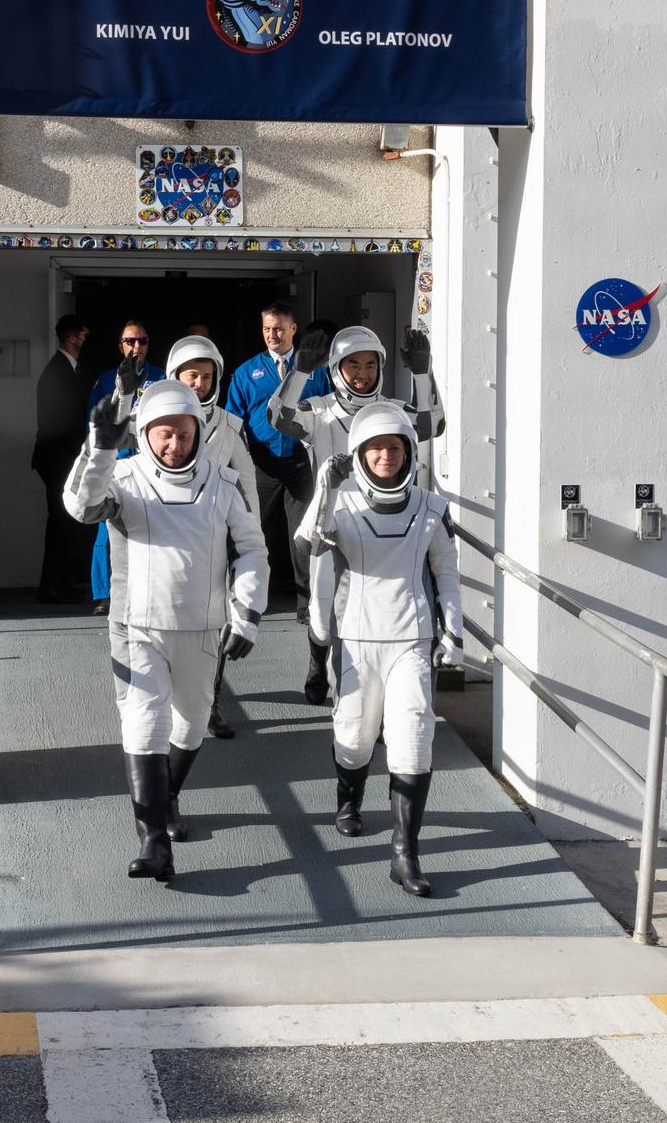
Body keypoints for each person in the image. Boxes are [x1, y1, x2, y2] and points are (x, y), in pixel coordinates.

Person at [63, 380, 269, 882]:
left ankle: (168, 794)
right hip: (137, 626)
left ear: (198, 432)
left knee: (192, 722)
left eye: (183, 433)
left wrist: (247, 614)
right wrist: (100, 447)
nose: (173, 444)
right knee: (144, 721)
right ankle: (153, 839)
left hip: (202, 626)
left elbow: (252, 551)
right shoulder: (125, 476)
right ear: (146, 434)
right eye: (163, 435)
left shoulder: (223, 483)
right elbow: (81, 505)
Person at [295, 401, 462, 898]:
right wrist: (325, 488)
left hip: (411, 637)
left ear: (410, 451)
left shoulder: (432, 507)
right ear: (358, 455)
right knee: (356, 737)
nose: (386, 457)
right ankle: (348, 800)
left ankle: (404, 853)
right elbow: (308, 546)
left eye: (395, 447)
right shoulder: (340, 505)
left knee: (413, 737)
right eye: (375, 449)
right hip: (357, 638)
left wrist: (453, 629)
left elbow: (447, 575)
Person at [268, 324, 444, 705]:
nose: (362, 374)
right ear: (335, 369)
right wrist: (299, 371)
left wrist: (422, 372)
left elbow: (433, 425)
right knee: (320, 611)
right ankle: (317, 663)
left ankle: (366, 693)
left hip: (387, 525)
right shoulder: (319, 412)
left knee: (376, 610)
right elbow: (278, 418)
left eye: (370, 364)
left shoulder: (394, 410)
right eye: (352, 365)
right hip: (330, 525)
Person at [166, 334, 259, 739]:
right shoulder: (152, 418)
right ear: (175, 377)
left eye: (206, 376)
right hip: (164, 537)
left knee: (216, 620)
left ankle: (210, 702)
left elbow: (248, 484)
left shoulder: (228, 425)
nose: (199, 384)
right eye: (191, 376)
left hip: (213, 537)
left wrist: (251, 538)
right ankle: (164, 700)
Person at [225, 302, 331, 623]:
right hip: (261, 463)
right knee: (254, 532)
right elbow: (232, 420)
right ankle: (249, 598)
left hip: (301, 462)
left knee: (303, 533)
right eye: (267, 329)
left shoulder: (316, 369)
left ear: (293, 329)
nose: (273, 335)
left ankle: (305, 601)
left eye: (279, 328)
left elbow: (329, 410)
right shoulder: (247, 372)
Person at [87, 320, 166, 615]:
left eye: (142, 341)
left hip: (150, 465)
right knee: (105, 533)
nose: (136, 347)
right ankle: (104, 595)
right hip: (115, 464)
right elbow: (93, 424)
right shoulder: (106, 379)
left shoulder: (161, 378)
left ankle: (152, 591)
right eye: (130, 341)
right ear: (120, 345)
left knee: (153, 529)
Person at [31, 313, 93, 603]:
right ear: (71, 338)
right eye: (82, 337)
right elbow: (62, 422)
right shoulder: (57, 372)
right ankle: (54, 586)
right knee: (61, 523)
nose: (84, 343)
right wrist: (83, 455)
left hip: (60, 457)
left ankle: (60, 583)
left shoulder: (66, 370)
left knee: (64, 524)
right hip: (59, 459)